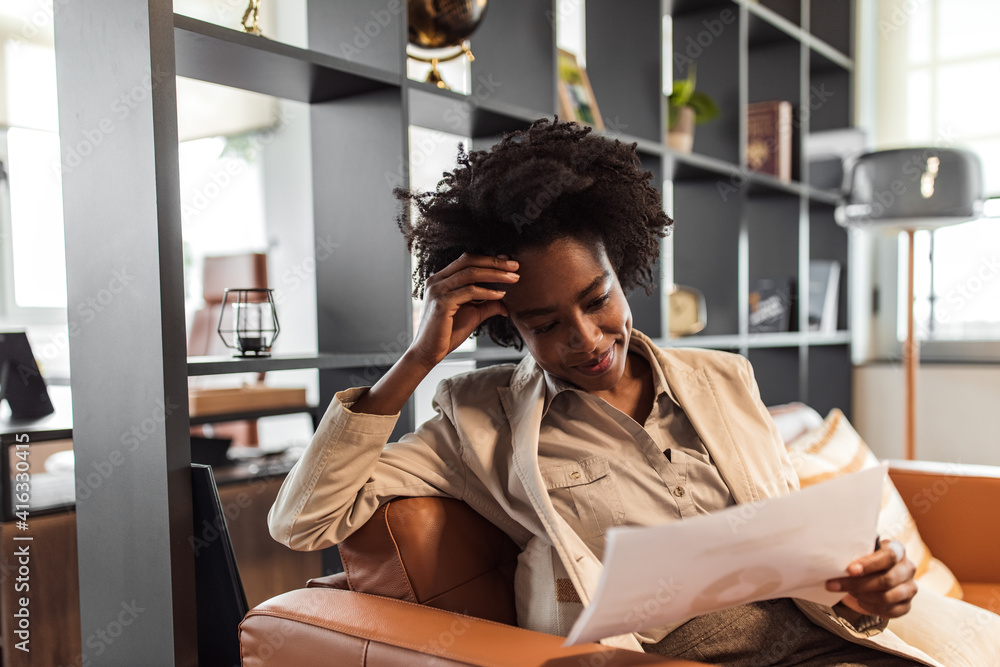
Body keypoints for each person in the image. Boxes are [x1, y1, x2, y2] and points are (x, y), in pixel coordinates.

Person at [269, 118, 996, 666]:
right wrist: (420, 357)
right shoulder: (477, 420)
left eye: (597, 298)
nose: (585, 337)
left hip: (824, 639)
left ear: (625, 268)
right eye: (546, 323)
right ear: (504, 323)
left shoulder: (723, 378)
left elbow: (799, 543)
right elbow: (301, 520)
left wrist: (870, 585)